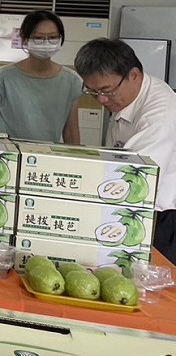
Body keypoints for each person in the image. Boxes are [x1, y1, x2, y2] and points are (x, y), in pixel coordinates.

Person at [74, 39, 176, 261]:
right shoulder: (128, 98)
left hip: (161, 218)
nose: (101, 99)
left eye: (107, 90)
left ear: (134, 75)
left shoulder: (158, 115)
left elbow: (132, 176)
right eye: (92, 91)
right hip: (139, 210)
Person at [0, 10, 82, 143]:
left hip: (49, 155)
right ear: (24, 39)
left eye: (53, 37)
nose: (46, 43)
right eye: (38, 38)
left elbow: (71, 130)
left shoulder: (71, 80)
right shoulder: (4, 77)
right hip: (12, 154)